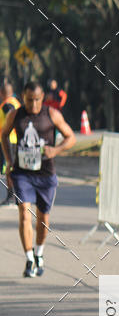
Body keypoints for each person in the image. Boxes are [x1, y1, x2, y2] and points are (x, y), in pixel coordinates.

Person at [1, 80, 75, 277]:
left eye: (36, 100)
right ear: (22, 98)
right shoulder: (15, 114)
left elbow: (71, 137)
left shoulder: (52, 114)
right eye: (29, 100)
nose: (33, 104)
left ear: (42, 98)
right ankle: (29, 259)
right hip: (22, 174)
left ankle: (39, 253)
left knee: (43, 218)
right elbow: (4, 135)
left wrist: (55, 150)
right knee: (24, 214)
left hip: (45, 174)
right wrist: (9, 161)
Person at [0, 79, 20, 204]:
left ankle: (12, 195)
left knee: (10, 168)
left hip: (9, 140)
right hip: (12, 139)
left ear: (1, 93)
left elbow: (12, 118)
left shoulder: (8, 105)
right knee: (11, 168)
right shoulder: (15, 102)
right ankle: (14, 195)